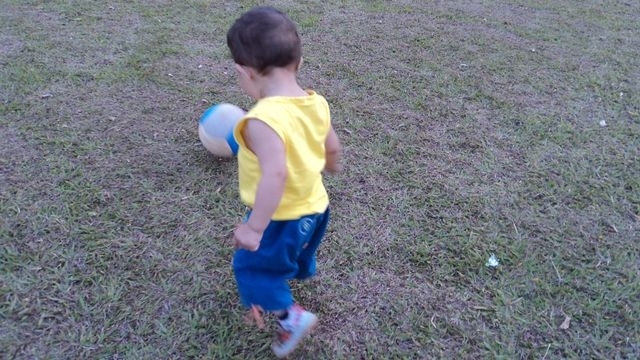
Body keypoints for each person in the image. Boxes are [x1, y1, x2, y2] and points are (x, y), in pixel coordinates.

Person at [226, 6, 342, 358]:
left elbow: (275, 175)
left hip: (282, 216)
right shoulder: (315, 102)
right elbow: (333, 147)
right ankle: (293, 268)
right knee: (297, 248)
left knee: (249, 267)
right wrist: (331, 166)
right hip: (316, 207)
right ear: (299, 63)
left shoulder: (262, 120)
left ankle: (290, 317)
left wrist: (254, 229)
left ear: (244, 73)